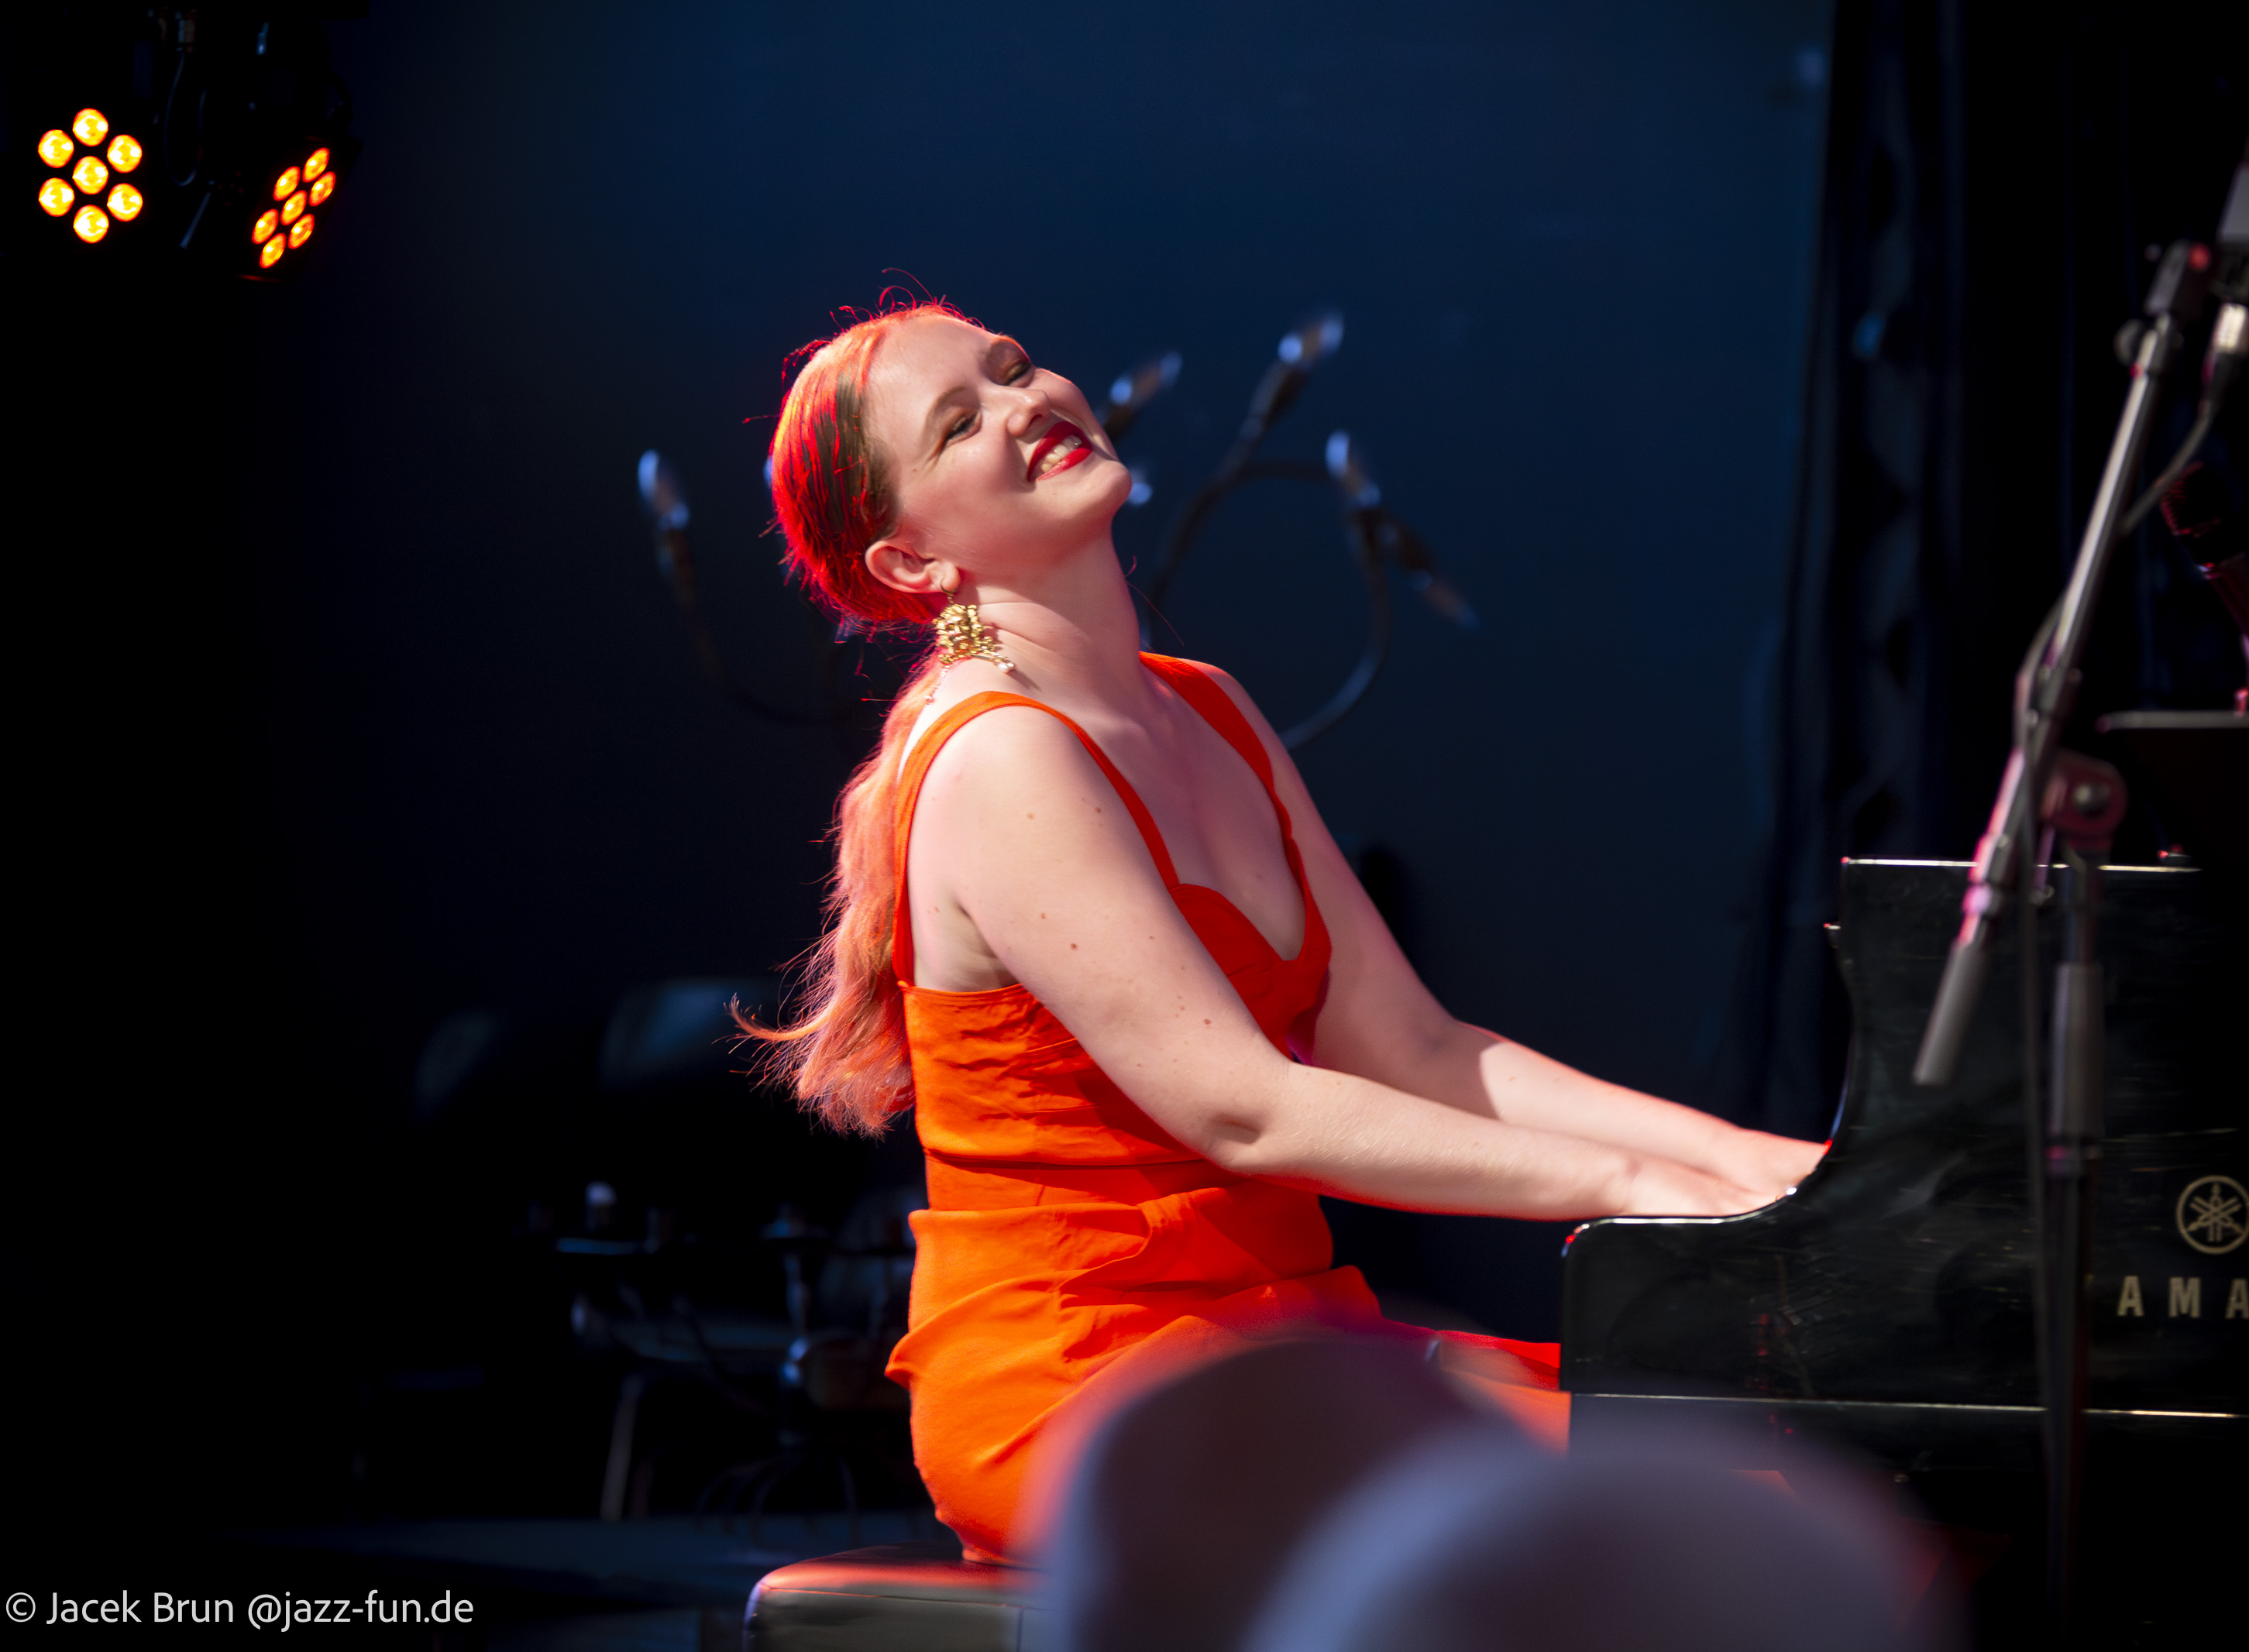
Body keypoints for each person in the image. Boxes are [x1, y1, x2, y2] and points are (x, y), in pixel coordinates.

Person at [745, 298, 1825, 1563]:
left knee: (1807, 1462)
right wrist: (1648, 1193)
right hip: (1086, 1379)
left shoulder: (1208, 705)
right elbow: (1246, 1110)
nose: (1026, 404)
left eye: (1015, 366)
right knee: (1737, 1519)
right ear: (911, 566)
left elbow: (1415, 1046)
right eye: (959, 421)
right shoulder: (1000, 755)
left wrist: (1762, 1165)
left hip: (1273, 1340)